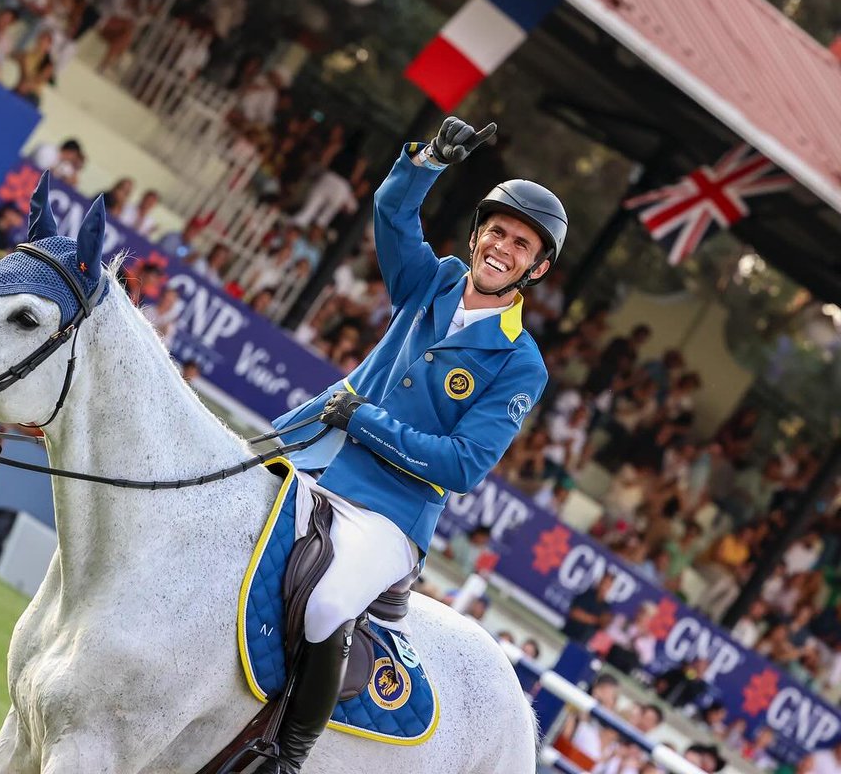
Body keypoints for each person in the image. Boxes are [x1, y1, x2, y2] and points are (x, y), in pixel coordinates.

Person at [261, 117, 567, 772]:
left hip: (388, 513)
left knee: (329, 602)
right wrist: (425, 161)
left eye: (520, 244)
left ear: (536, 268)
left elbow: (460, 465)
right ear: (480, 233)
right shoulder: (433, 280)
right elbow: (393, 214)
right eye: (498, 231)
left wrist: (365, 419)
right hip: (311, 452)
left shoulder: (520, 363)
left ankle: (286, 757)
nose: (502, 247)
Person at [565, 570, 616, 644]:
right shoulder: (587, 594)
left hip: (582, 643)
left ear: (610, 587)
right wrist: (596, 620)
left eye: (608, 584)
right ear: (600, 582)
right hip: (567, 634)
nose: (604, 586)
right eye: (604, 582)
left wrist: (604, 623)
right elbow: (574, 613)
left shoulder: (606, 608)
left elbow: (604, 628)